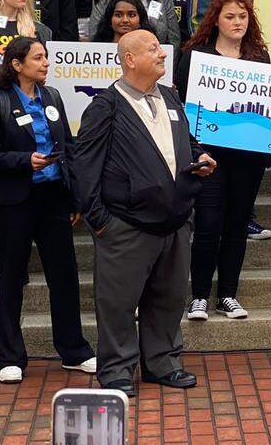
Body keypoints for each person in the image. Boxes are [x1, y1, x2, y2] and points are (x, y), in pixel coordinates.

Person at [69, 30, 216, 395]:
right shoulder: (105, 106)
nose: (162, 54)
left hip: (175, 222)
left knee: (168, 299)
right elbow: (84, 166)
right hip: (125, 227)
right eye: (153, 49)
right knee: (118, 304)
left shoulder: (169, 97)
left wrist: (198, 158)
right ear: (129, 59)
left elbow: (186, 142)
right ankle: (118, 370)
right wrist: (101, 222)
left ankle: (162, 363)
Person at [0, 37, 95, 383]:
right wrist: (23, 160)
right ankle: (10, 356)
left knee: (65, 276)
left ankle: (73, 350)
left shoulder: (53, 97)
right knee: (12, 277)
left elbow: (68, 147)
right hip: (14, 201)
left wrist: (74, 197)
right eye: (38, 58)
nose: (45, 63)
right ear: (16, 64)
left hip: (54, 198)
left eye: (46, 57)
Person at [177, 0, 271, 321]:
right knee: (208, 224)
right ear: (215, 19)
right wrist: (194, 150)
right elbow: (182, 105)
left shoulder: (259, 57)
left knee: (236, 226)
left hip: (249, 158)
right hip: (209, 155)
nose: (237, 23)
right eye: (230, 17)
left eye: (242, 17)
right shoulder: (195, 55)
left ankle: (228, 295)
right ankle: (199, 296)